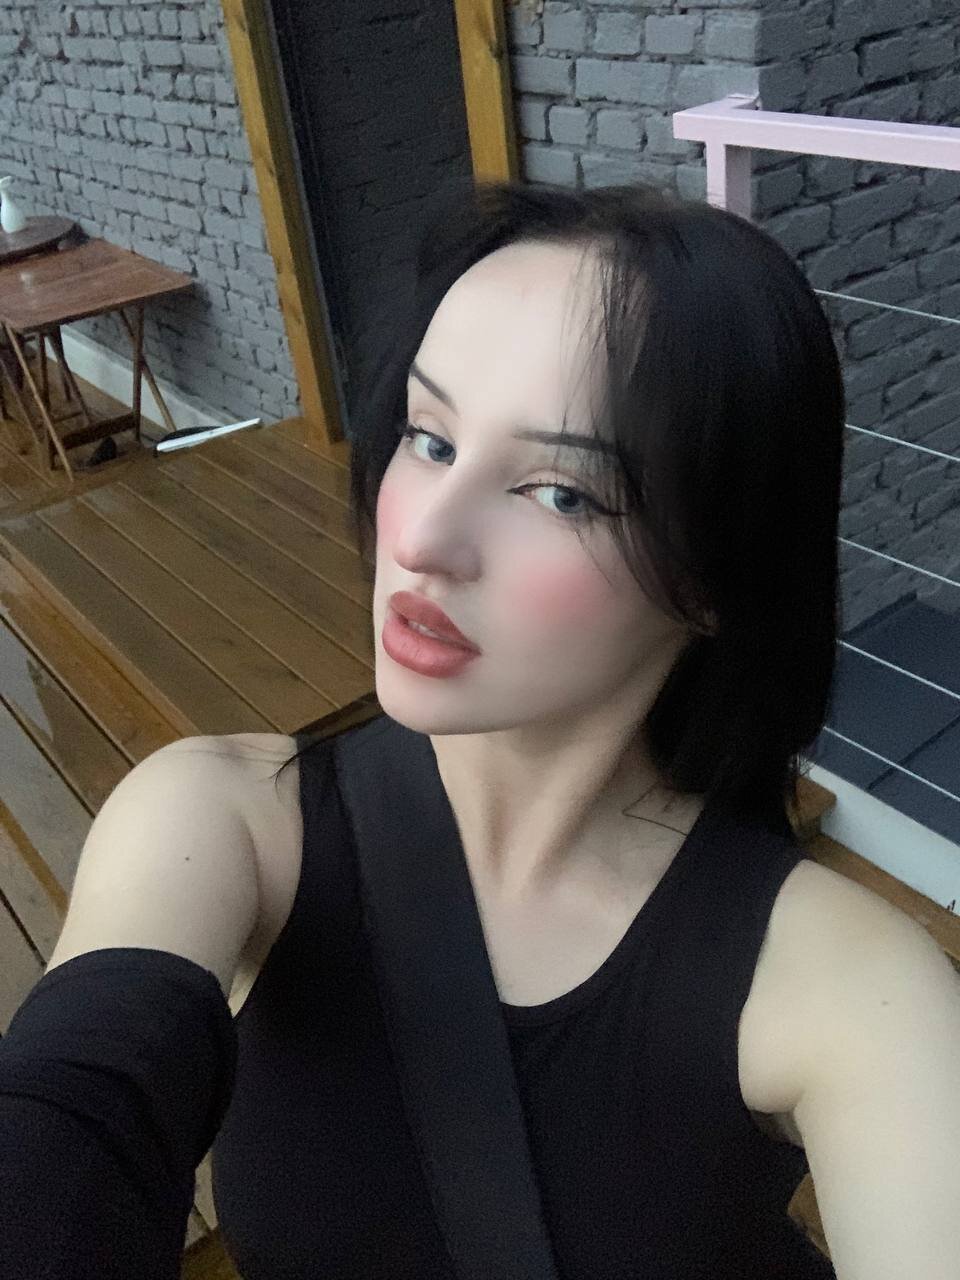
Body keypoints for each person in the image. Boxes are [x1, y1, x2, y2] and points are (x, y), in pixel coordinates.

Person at [0, 179, 846, 1278]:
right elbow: (75, 1104)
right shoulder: (227, 818)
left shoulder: (842, 981)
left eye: (564, 493)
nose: (424, 539)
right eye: (430, 438)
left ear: (716, 576)